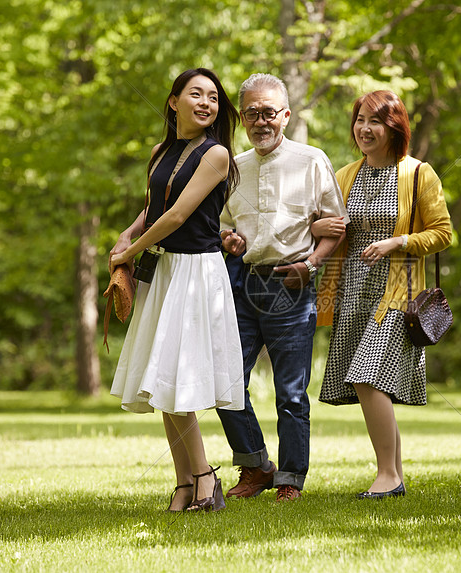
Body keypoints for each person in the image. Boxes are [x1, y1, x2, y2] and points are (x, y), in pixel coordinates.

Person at [109, 68, 243, 513]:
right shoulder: (160, 151)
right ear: (173, 102)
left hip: (196, 272)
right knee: (161, 379)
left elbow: (177, 218)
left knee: (178, 381)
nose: (206, 103)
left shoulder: (217, 154)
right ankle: (183, 484)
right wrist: (126, 238)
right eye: (195, 94)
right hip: (163, 270)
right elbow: (153, 209)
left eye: (213, 97)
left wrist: (131, 254)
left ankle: (205, 479)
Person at [217, 73, 348, 502]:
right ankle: (255, 467)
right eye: (251, 113)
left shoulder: (312, 160)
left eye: (269, 112)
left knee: (291, 394)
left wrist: (311, 264)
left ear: (285, 115)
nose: (260, 121)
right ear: (241, 118)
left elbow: (337, 226)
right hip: (244, 284)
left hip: (292, 285)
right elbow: (224, 230)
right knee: (225, 381)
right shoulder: (232, 167)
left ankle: (290, 479)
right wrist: (230, 240)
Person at [315, 90, 453, 499]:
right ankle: (392, 475)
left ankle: (387, 475)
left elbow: (442, 233)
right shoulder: (345, 175)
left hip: (398, 294)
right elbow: (324, 226)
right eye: (360, 120)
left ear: (395, 128)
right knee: (366, 381)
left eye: (374, 121)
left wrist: (398, 243)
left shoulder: (417, 174)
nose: (364, 128)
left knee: (367, 379)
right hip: (352, 292)